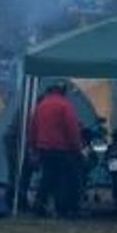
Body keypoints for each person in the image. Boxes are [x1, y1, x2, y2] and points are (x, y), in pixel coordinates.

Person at [27, 83, 84, 217]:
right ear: (63, 92)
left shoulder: (41, 106)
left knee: (47, 177)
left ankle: (39, 205)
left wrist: (33, 147)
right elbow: (72, 129)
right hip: (62, 148)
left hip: (44, 148)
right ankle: (65, 208)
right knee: (68, 178)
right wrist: (77, 148)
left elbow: (32, 128)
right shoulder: (65, 105)